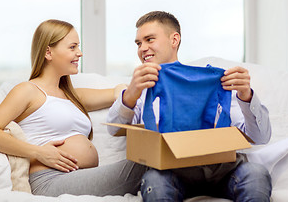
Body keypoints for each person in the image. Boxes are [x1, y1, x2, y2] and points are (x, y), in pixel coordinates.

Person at [107, 11, 272, 202]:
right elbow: (114, 130)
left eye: (149, 39)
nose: (142, 48)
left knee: (256, 173)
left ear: (174, 39)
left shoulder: (214, 81)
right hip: (170, 171)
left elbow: (260, 137)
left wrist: (247, 96)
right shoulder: (140, 89)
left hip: (224, 169)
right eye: (138, 43)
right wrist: (130, 94)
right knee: (154, 180)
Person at [0, 19, 148, 197]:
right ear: (48, 52)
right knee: (149, 160)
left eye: (78, 47)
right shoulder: (27, 91)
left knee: (156, 167)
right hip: (50, 180)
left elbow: (118, 93)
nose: (79, 53)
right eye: (72, 47)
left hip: (79, 176)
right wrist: (38, 152)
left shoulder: (72, 96)